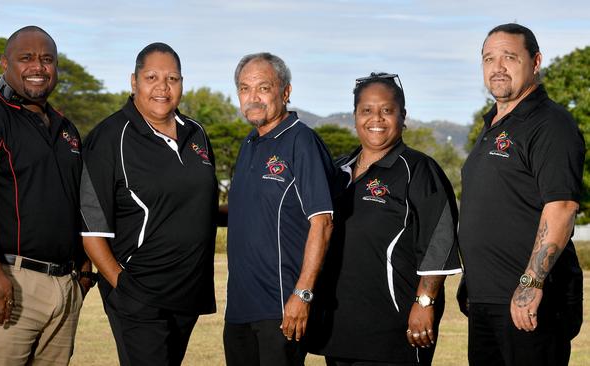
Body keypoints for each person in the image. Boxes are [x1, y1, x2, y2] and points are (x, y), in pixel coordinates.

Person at [0, 26, 92, 366]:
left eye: (47, 59)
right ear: (5, 64)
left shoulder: (66, 128)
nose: (38, 67)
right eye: (26, 58)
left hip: (64, 283)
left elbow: (75, 200)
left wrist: (84, 266)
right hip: (7, 279)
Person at [307, 73, 462, 366]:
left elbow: (439, 244)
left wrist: (424, 303)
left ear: (403, 116)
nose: (376, 118)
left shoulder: (419, 170)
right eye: (366, 110)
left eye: (387, 110)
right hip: (339, 327)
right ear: (354, 116)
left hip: (394, 328)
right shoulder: (337, 170)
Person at [79, 42, 217, 366]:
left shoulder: (196, 134)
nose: (162, 87)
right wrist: (123, 287)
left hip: (187, 294)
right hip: (139, 293)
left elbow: (199, 204)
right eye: (152, 77)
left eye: (172, 79)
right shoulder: (110, 137)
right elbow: (91, 226)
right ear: (133, 81)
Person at [458, 23, 585, 366]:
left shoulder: (550, 124)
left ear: (536, 61)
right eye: (488, 58)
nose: (497, 67)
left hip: (529, 301)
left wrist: (530, 283)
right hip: (486, 300)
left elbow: (561, 206)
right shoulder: (493, 125)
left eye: (509, 57)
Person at [223, 52, 334, 366]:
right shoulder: (248, 145)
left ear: (285, 92)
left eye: (263, 88)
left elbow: (323, 223)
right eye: (245, 89)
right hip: (240, 311)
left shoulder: (302, 142)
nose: (253, 97)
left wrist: (302, 295)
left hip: (281, 309)